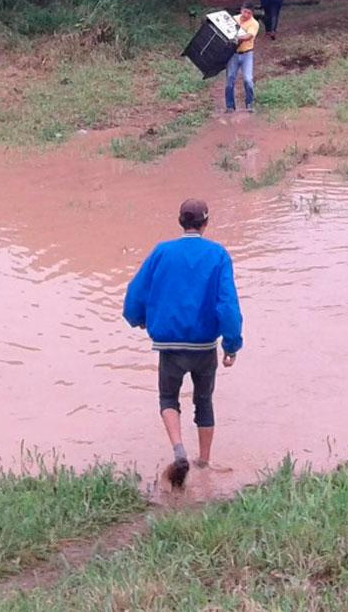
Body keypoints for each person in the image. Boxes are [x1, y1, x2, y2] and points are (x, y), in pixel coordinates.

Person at [122, 198, 244, 489]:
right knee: (204, 401)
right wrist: (231, 344)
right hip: (204, 347)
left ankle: (179, 451)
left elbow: (135, 292)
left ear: (180, 221)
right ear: (206, 223)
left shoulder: (162, 252)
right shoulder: (217, 254)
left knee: (168, 399)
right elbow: (227, 304)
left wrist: (138, 318)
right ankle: (204, 462)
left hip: (169, 346)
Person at [225, 5, 258, 113]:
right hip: (233, 54)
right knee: (230, 79)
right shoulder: (234, 19)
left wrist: (235, 37)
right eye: (245, 12)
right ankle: (230, 106)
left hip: (247, 54)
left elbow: (248, 36)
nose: (246, 15)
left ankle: (249, 103)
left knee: (248, 79)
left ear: (252, 14)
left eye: (249, 13)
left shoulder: (254, 23)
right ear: (241, 10)